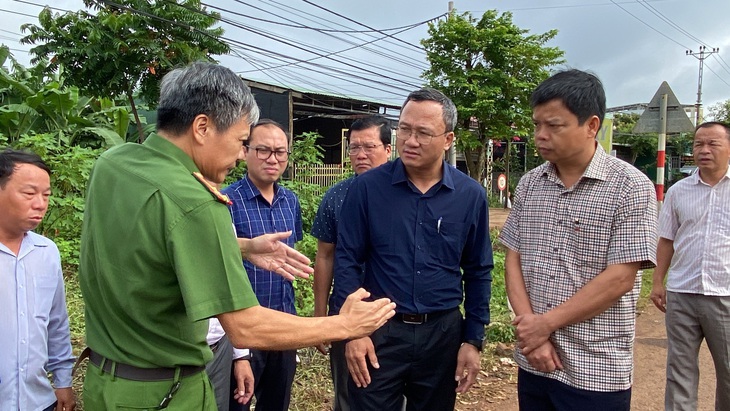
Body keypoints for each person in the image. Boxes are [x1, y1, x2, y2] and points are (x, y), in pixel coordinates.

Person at [78, 61, 396, 410]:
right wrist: (342, 325)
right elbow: (245, 327)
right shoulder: (195, 200)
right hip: (163, 394)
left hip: (104, 383)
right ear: (202, 127)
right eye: (242, 141)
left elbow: (148, 244)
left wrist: (241, 246)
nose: (240, 154)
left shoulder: (113, 163)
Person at [499, 69, 657, 410]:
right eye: (537, 124)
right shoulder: (530, 184)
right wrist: (532, 335)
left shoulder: (630, 187)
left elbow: (620, 279)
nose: (540, 135)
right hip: (535, 361)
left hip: (595, 367)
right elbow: (513, 257)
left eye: (553, 125)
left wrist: (545, 325)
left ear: (591, 125)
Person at [334, 88, 493, 411]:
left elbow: (478, 269)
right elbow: (347, 261)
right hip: (380, 332)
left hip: (442, 335)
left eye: (423, 133)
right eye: (405, 128)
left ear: (448, 139)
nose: (410, 140)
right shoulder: (367, 190)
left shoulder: (469, 196)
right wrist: (353, 332)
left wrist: (472, 339)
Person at [311, 116, 392, 411]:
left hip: (396, 313)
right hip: (346, 312)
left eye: (369, 147)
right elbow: (325, 255)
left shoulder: (406, 195)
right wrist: (321, 316)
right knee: (349, 392)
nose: (360, 154)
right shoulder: (336, 197)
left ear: (388, 149)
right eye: (354, 147)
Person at [222, 119, 302, 411]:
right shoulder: (227, 201)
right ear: (245, 151)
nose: (273, 159)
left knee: (277, 402)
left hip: (282, 325)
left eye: (280, 152)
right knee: (237, 404)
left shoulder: (290, 201)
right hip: (243, 329)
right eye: (264, 150)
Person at [651, 121, 730, 411]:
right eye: (698, 144)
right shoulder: (678, 191)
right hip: (682, 292)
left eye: (713, 144)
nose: (704, 150)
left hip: (725, 294)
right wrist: (658, 282)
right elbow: (666, 240)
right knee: (679, 372)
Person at [0, 149, 76, 411]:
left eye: (46, 196)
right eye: (29, 194)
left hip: (38, 401)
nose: (40, 204)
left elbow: (56, 323)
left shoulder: (47, 252)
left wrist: (63, 380)